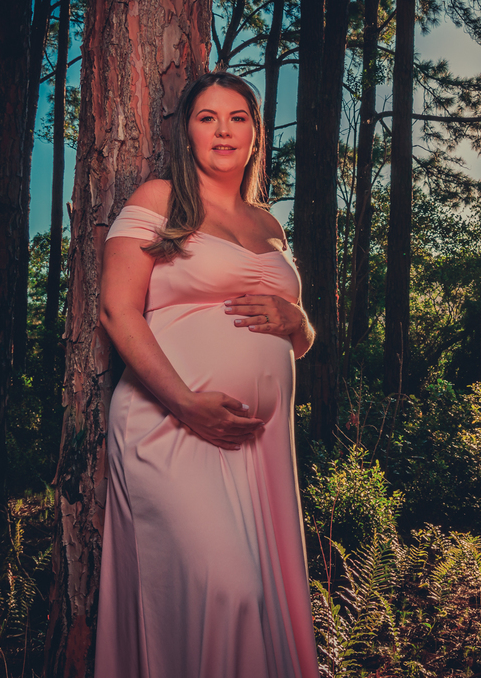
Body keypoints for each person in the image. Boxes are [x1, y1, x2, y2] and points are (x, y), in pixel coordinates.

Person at [93, 71, 321, 678]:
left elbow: (298, 340)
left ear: (255, 135)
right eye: (207, 117)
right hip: (169, 427)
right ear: (187, 132)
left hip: (257, 449)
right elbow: (117, 309)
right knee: (232, 589)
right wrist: (186, 404)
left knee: (260, 598)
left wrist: (299, 322)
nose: (224, 129)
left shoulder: (269, 224)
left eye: (238, 117)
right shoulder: (159, 199)